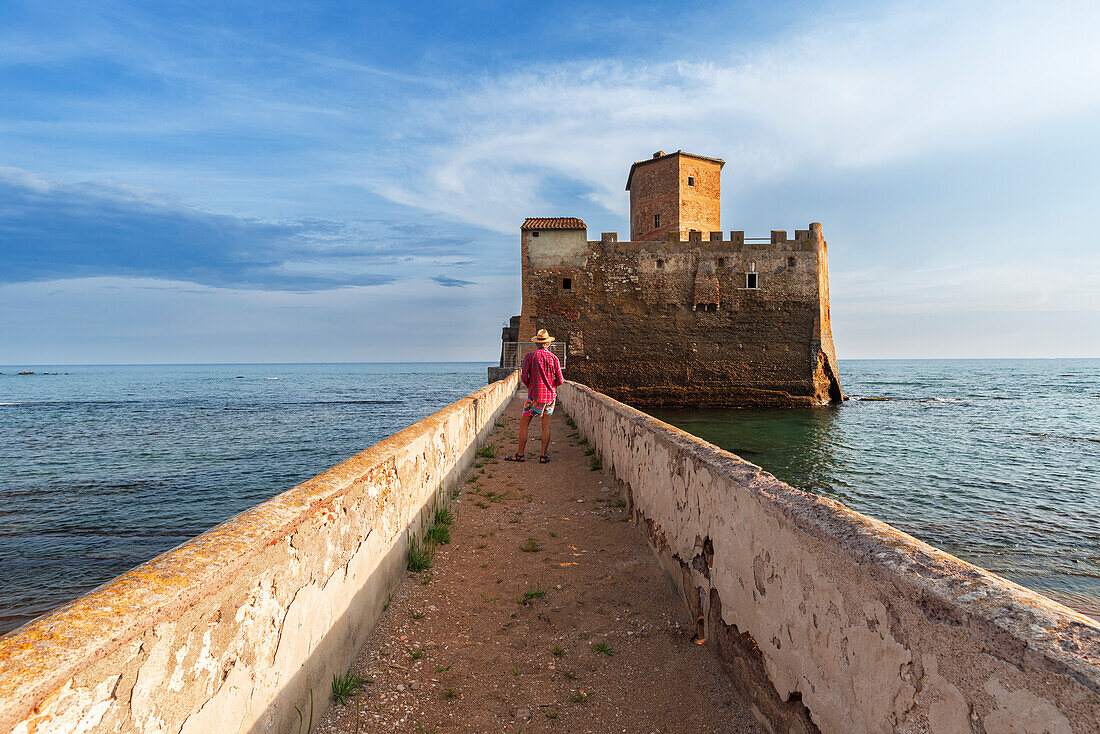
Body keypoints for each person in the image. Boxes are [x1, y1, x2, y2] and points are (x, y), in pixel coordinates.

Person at [506, 328, 564, 464]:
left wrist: (531, 385)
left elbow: (524, 377)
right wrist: (551, 386)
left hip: (534, 397)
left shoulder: (530, 357)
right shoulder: (554, 358)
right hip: (550, 397)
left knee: (524, 424)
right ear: (548, 343)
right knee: (546, 426)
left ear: (536, 343)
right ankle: (543, 455)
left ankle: (520, 455)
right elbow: (560, 380)